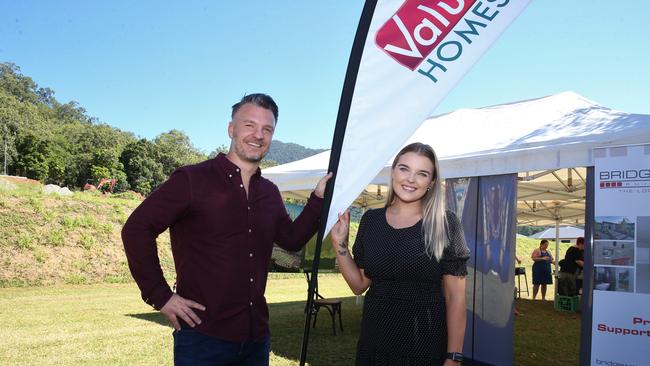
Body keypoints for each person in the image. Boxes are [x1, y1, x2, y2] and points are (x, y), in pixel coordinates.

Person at [122, 93, 331, 366]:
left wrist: (317, 200)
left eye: (267, 129)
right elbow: (137, 229)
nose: (258, 134)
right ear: (231, 129)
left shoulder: (269, 192)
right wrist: (160, 296)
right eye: (249, 125)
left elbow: (291, 240)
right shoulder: (192, 179)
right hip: (203, 339)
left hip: (256, 338)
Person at [330, 142, 470, 365]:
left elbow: (456, 298)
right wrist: (340, 245)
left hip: (424, 346)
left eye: (422, 173)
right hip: (374, 344)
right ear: (393, 170)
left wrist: (453, 357)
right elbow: (359, 285)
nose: (410, 179)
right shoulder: (371, 221)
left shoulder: (446, 223)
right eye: (404, 168)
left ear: (431, 182)